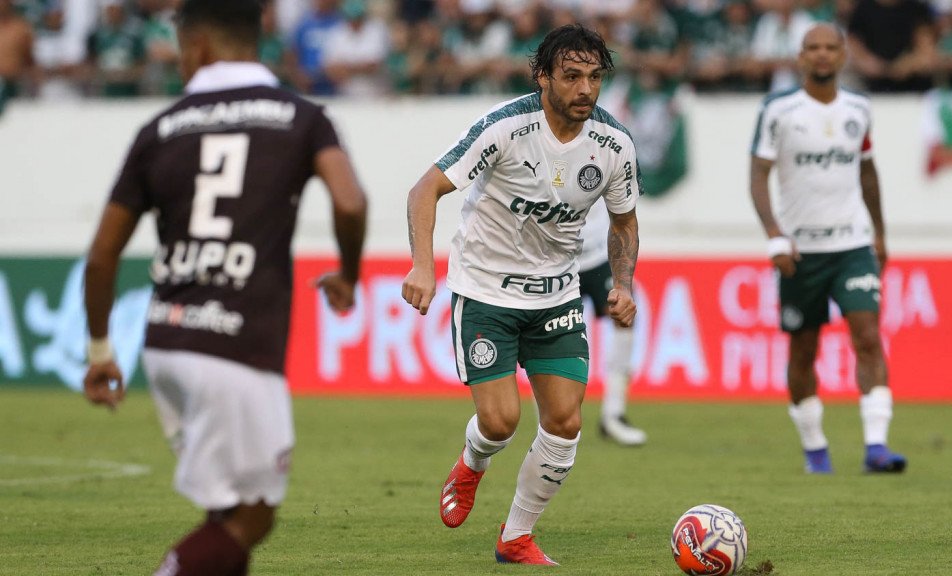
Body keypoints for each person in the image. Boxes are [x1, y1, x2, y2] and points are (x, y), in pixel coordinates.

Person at [81, 1, 368, 574]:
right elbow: (350, 201)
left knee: (226, 506)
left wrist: (99, 352)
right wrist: (348, 274)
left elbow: (101, 256)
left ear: (199, 46)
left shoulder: (159, 129)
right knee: (253, 515)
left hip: (166, 341)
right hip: (236, 347)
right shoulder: (302, 116)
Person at [401, 24, 642, 565]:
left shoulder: (614, 144)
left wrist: (623, 284)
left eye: (594, 78)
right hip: (485, 291)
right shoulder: (505, 128)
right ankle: (473, 462)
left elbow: (624, 223)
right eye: (572, 76)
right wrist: (423, 265)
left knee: (566, 423)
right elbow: (425, 189)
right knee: (500, 422)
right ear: (542, 77)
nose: (585, 89)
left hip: (556, 294)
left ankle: (516, 536)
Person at [749, 23, 907, 475]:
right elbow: (758, 175)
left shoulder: (859, 108)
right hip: (801, 253)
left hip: (852, 244)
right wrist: (775, 234)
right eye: (813, 47)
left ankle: (876, 446)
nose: (821, 54)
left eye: (830, 47)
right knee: (803, 350)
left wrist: (879, 234)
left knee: (868, 337)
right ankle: (815, 449)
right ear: (800, 56)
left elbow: (867, 171)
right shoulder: (778, 110)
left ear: (843, 55)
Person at [579, 197, 647, 446]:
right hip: (555, 258)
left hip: (600, 252)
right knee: (544, 329)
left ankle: (614, 414)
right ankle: (547, 421)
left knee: (624, 316)